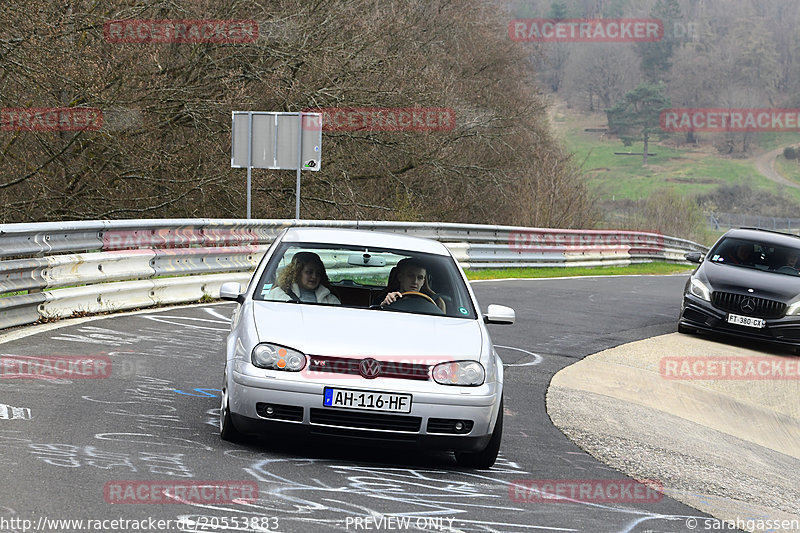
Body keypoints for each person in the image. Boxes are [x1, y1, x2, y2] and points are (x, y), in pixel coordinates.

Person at [267, 251, 340, 304]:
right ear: (297, 273)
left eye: (318, 273)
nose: (314, 277)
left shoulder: (330, 299)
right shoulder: (278, 294)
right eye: (309, 272)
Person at [378, 257, 446, 313]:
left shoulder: (436, 302)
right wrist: (384, 304)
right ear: (400, 277)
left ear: (423, 282)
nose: (415, 281)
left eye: (420, 278)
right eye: (410, 276)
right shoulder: (385, 298)